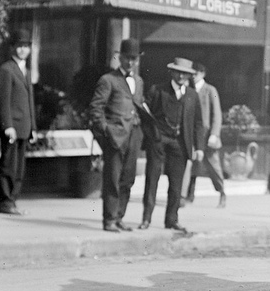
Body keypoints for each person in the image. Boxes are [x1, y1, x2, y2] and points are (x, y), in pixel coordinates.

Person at [140, 57, 205, 233]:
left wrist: (199, 147)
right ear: (172, 72)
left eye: (186, 73)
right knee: (152, 178)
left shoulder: (192, 95)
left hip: (180, 143)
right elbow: (144, 115)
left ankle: (172, 219)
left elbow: (198, 123)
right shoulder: (158, 90)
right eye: (179, 72)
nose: (182, 76)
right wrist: (152, 136)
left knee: (176, 184)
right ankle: (146, 218)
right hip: (159, 140)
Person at [89, 38, 145, 232]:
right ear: (119, 58)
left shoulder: (138, 81)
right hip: (115, 137)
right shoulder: (108, 80)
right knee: (112, 178)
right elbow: (96, 109)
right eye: (127, 58)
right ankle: (109, 219)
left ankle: (120, 216)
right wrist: (106, 130)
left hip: (134, 136)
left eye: (134, 59)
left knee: (128, 179)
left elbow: (137, 105)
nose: (130, 62)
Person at [0, 29, 36, 216]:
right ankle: (5, 201)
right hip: (12, 126)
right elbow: (3, 101)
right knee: (8, 165)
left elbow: (30, 101)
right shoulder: (6, 69)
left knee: (20, 167)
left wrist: (33, 127)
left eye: (26, 46)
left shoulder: (26, 71)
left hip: (24, 126)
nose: (22, 50)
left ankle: (13, 199)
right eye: (19, 46)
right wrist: (7, 125)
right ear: (12, 47)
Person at [185, 62, 227, 208]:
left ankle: (222, 193)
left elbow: (217, 114)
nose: (193, 77)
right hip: (192, 134)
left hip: (207, 136)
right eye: (191, 74)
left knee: (213, 166)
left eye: (195, 74)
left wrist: (214, 134)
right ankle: (189, 195)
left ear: (202, 74)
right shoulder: (188, 89)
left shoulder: (210, 90)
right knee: (191, 165)